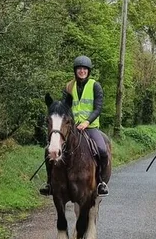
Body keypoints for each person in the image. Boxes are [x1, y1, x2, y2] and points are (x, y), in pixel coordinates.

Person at [40, 56, 111, 196]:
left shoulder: (95, 86)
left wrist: (87, 122)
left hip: (90, 127)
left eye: (85, 69)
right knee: (49, 150)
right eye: (79, 69)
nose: (82, 71)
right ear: (75, 71)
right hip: (71, 128)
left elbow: (98, 108)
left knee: (102, 150)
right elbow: (63, 108)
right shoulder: (68, 86)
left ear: (88, 71)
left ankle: (101, 182)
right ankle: (49, 183)